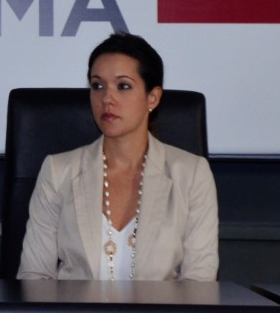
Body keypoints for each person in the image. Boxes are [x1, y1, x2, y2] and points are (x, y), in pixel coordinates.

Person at [17, 32, 218, 281]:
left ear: (152, 97)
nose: (107, 99)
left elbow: (199, 284)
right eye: (97, 86)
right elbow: (34, 277)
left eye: (123, 86)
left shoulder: (191, 174)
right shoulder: (58, 171)